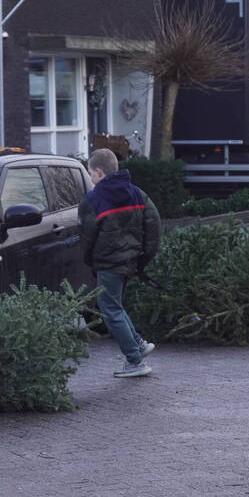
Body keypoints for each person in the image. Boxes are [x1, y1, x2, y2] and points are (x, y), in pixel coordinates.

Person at [79, 149, 161, 378]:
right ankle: (139, 343)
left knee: (110, 309)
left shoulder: (94, 200)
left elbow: (86, 237)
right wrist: (143, 259)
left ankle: (135, 360)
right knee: (115, 305)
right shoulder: (137, 193)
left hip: (108, 264)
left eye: (89, 173)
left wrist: (91, 261)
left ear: (98, 172)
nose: (90, 178)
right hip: (130, 261)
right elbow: (154, 228)